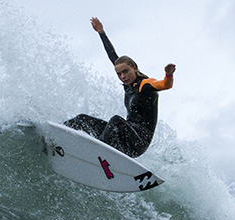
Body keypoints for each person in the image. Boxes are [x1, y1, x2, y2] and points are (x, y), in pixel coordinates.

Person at [65, 17, 176, 158]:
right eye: (119, 74)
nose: (123, 76)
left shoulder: (145, 84)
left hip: (138, 142)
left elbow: (164, 85)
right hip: (124, 137)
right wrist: (101, 32)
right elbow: (112, 56)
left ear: (134, 68)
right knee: (82, 119)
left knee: (116, 121)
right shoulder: (128, 85)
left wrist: (168, 74)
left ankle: (97, 154)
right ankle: (55, 133)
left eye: (125, 72)